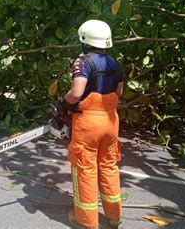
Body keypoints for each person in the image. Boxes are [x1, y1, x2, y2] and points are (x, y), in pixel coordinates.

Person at [57, 19, 124, 229]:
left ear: (85, 39)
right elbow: (119, 92)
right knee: (109, 166)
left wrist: (62, 104)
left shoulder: (83, 62)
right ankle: (114, 216)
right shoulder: (115, 63)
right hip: (111, 120)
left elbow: (77, 92)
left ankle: (86, 221)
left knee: (85, 168)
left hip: (88, 123)